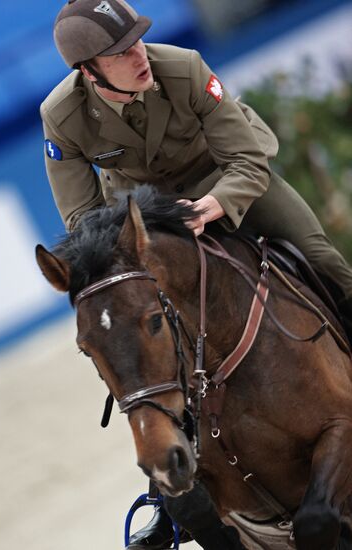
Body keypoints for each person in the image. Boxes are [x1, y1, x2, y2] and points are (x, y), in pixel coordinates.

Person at [41, 0, 352, 547]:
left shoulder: (182, 67)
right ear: (87, 71)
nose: (138, 54)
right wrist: (120, 259)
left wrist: (213, 205)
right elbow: (82, 220)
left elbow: (249, 158)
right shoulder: (61, 117)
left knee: (321, 257)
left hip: (230, 182)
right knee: (138, 340)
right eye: (119, 52)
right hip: (144, 216)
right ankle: (173, 496)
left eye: (137, 40)